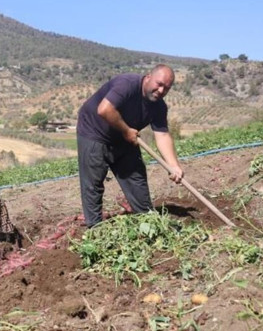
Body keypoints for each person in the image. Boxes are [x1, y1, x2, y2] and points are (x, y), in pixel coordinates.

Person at [76, 64, 184, 228]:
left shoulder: (159, 106)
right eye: (159, 84)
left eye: (166, 88)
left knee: (136, 179)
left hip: (124, 137)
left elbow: (162, 135)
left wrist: (173, 165)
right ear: (148, 77)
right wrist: (126, 130)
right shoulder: (127, 84)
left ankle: (148, 221)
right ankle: (95, 229)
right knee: (93, 183)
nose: (161, 90)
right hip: (95, 132)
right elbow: (104, 109)